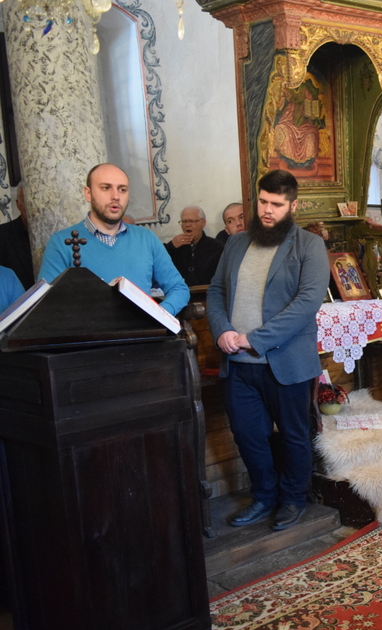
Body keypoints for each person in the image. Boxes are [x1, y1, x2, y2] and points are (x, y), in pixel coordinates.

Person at [206, 169, 330, 531]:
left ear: (293, 206)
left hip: (286, 362)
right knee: (247, 434)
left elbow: (307, 303)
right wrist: (222, 331)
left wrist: (254, 339)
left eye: (276, 204)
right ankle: (264, 496)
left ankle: (293, 499)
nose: (267, 210)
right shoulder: (236, 243)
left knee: (293, 435)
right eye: (262, 202)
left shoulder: (309, 245)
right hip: (238, 363)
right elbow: (216, 291)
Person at [39, 163, 189, 315]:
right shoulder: (62, 243)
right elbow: (47, 304)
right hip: (88, 329)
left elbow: (178, 288)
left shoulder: (146, 239)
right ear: (88, 193)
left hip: (142, 329)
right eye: (106, 188)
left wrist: (158, 315)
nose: (116, 196)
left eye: (122, 189)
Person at [166, 205, 224, 287]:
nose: (187, 225)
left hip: (207, 292)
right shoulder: (175, 247)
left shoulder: (217, 247)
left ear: (203, 223)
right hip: (181, 292)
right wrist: (171, 246)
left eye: (191, 221)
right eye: (184, 221)